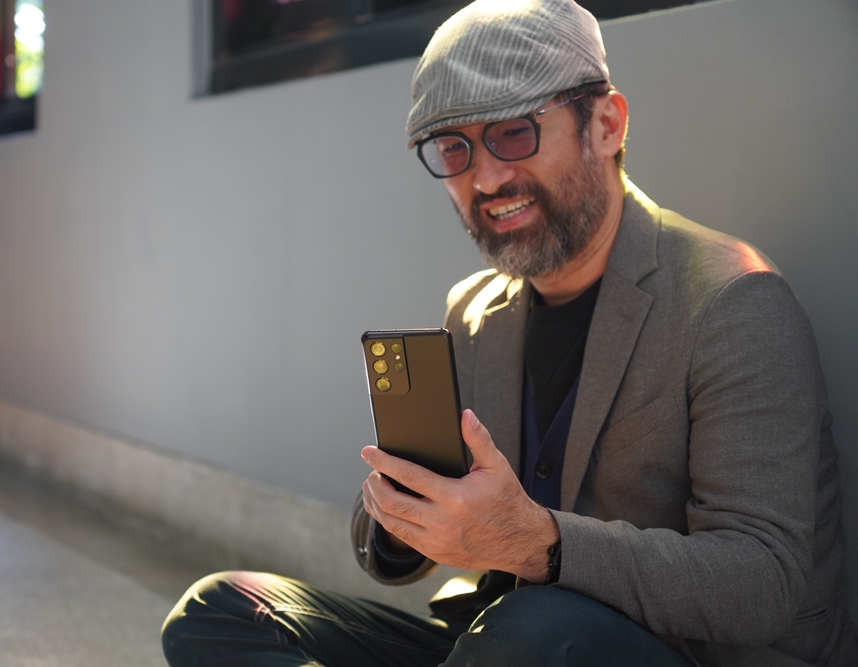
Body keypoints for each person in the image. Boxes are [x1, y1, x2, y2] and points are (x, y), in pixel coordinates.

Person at [160, 0, 857, 664]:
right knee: (221, 610)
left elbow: (761, 582)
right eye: (453, 148)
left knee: (535, 629)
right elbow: (405, 549)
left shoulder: (734, 301)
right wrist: (407, 514)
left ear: (606, 124)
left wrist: (540, 545)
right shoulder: (473, 312)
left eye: (514, 133)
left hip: (666, 653)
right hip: (499, 643)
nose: (487, 178)